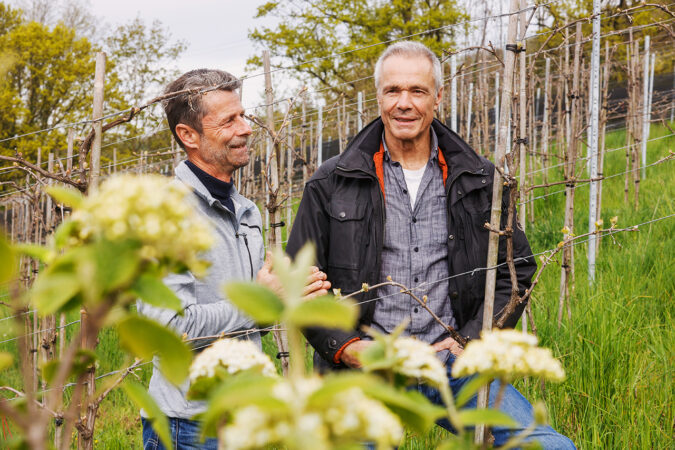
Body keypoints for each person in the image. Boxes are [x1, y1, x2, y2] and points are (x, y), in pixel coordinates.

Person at [286, 42, 575, 448]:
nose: (404, 103)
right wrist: (348, 348)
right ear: (379, 97)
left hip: (453, 365)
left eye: (417, 91)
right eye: (393, 91)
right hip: (363, 368)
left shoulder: (480, 180)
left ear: (438, 97)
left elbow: (517, 271)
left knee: (548, 445)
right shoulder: (331, 182)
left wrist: (469, 341)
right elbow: (299, 282)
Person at [137, 69, 330, 450]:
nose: (245, 128)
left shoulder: (246, 211)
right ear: (188, 136)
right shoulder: (166, 216)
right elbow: (170, 330)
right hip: (189, 425)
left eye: (243, 115)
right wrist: (257, 299)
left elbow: (252, 317)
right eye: (229, 121)